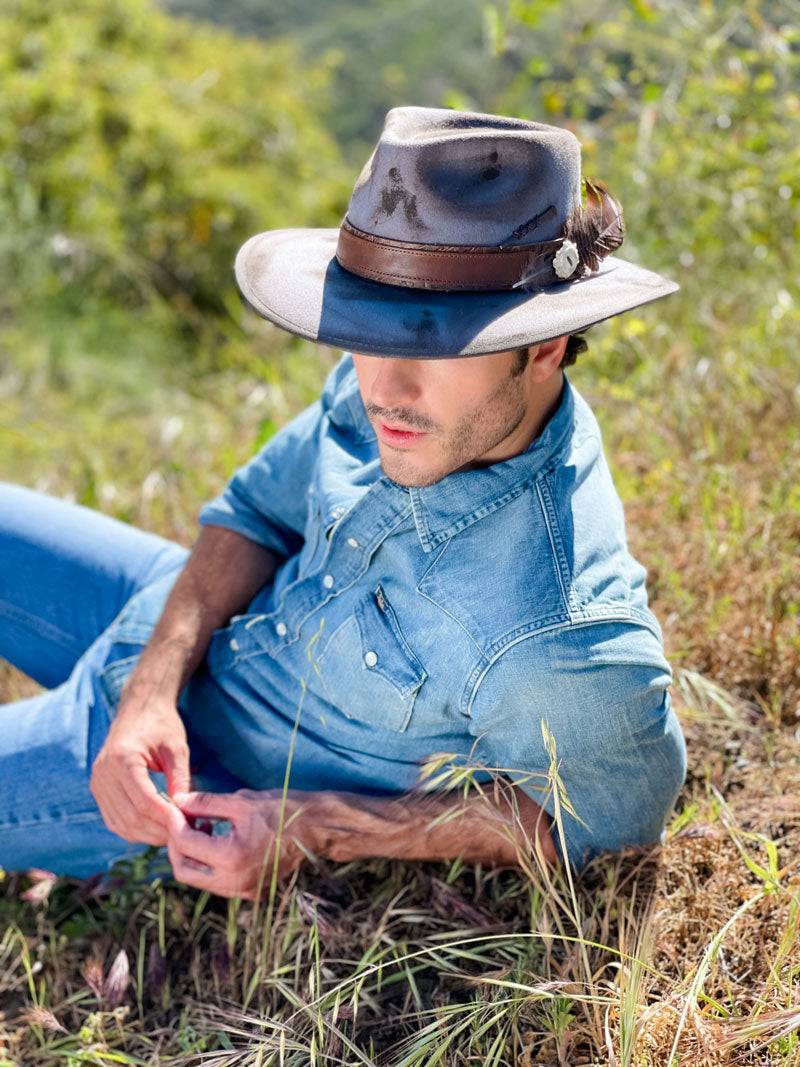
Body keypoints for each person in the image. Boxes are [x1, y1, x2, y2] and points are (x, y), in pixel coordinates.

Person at [0, 107, 686, 898]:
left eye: (436, 346)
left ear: (545, 347)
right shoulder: (409, 392)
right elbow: (257, 513)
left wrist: (313, 825)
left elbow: (610, 821)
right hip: (167, 624)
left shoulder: (558, 637)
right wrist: (151, 687)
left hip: (194, 774)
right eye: (372, 331)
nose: (384, 388)